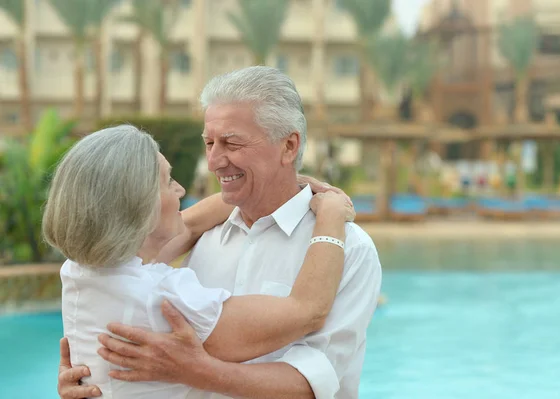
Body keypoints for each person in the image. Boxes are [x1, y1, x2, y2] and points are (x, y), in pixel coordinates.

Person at [58, 66, 382, 399]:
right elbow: (128, 247)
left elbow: (310, 386)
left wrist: (197, 371)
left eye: (231, 143)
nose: (213, 161)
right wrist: (90, 377)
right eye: (209, 143)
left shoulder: (351, 250)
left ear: (288, 147)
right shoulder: (197, 239)